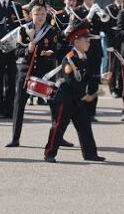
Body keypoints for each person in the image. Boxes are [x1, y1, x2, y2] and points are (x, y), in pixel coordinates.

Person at [43, 23, 104, 163]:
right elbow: (70, 81)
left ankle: (90, 154)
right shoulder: (69, 58)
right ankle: (49, 153)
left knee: (84, 126)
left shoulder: (83, 57)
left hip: (77, 99)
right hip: (66, 98)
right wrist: (84, 96)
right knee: (59, 126)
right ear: (76, 41)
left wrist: (100, 78)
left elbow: (86, 77)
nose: (89, 43)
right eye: (86, 40)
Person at [6, 2, 62, 147]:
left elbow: (56, 48)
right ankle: (15, 137)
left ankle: (58, 136)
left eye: (43, 14)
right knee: (19, 103)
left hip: (45, 72)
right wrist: (28, 51)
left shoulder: (51, 31)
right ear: (31, 15)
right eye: (37, 14)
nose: (40, 17)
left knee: (54, 103)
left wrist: (51, 53)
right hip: (26, 71)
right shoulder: (24, 30)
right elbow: (17, 51)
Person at [72, 0, 110, 122]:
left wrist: (102, 16)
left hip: (95, 48)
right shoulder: (77, 11)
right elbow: (76, 28)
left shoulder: (98, 11)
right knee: (80, 80)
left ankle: (91, 112)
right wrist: (88, 16)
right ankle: (79, 111)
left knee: (94, 81)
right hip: (82, 49)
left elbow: (105, 30)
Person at [104, 0, 124, 98]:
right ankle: (112, 87)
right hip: (113, 41)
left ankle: (121, 87)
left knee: (123, 65)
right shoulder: (109, 9)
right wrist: (109, 44)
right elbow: (106, 28)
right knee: (112, 66)